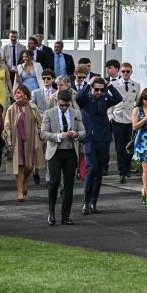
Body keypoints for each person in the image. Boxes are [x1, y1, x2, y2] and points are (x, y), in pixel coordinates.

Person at [76, 76, 123, 215]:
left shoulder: (105, 99)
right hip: (90, 138)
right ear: (91, 88)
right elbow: (79, 97)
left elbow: (118, 98)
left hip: (104, 138)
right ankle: (85, 202)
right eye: (96, 89)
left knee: (99, 172)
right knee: (92, 168)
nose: (98, 92)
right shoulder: (85, 100)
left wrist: (107, 86)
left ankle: (93, 202)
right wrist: (88, 84)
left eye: (101, 90)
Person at [41, 91, 86, 225]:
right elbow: (43, 133)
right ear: (57, 101)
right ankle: (51, 212)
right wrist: (58, 136)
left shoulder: (76, 113)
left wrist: (76, 134)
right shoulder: (49, 113)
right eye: (62, 105)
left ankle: (65, 216)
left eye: (67, 105)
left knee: (68, 185)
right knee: (54, 183)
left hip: (71, 152)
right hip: (55, 152)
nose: (65, 107)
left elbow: (84, 132)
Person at [3, 85, 44, 202]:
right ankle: (20, 192)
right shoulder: (11, 108)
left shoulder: (33, 107)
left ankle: (23, 182)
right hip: (16, 142)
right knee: (19, 165)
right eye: (15, 93)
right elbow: (7, 127)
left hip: (30, 141)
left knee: (30, 166)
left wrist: (41, 136)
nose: (16, 95)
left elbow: (40, 124)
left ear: (26, 95)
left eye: (19, 93)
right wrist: (9, 142)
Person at [111, 63, 141, 183]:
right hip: (118, 118)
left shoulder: (136, 85)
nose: (125, 73)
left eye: (127, 71)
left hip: (130, 120)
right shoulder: (113, 85)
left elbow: (138, 102)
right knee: (119, 147)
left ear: (131, 72)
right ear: (120, 72)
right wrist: (110, 116)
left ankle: (127, 165)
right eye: (123, 71)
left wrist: (138, 117)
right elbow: (110, 102)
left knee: (130, 146)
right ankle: (121, 172)